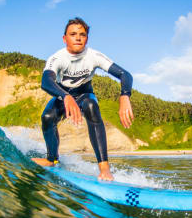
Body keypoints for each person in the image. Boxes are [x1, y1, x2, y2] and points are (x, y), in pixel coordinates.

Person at [32, 17, 134, 181]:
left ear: (87, 38)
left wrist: (124, 96)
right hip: (63, 95)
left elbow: (125, 75)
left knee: (92, 106)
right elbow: (46, 81)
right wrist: (65, 96)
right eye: (73, 34)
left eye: (82, 34)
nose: (78, 37)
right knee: (47, 117)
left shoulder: (93, 55)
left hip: (84, 94)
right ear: (65, 39)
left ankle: (105, 168)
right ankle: (51, 159)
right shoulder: (57, 58)